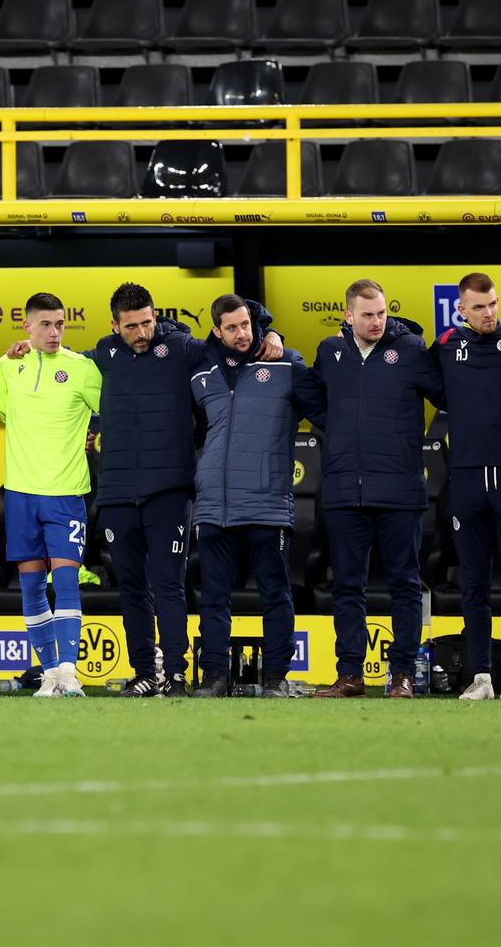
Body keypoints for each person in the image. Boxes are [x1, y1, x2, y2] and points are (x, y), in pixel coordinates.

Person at [90, 283, 282, 699]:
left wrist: (269, 331)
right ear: (114, 325)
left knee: (168, 585)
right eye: (132, 326)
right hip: (118, 490)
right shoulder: (101, 354)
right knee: (131, 588)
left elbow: (231, 333)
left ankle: (175, 673)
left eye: (147, 322)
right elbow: (58, 371)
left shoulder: (182, 349)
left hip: (170, 489)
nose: (142, 332)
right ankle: (144, 672)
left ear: (155, 316)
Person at [188, 294, 324, 699]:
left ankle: (275, 678)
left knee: (275, 595)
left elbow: (330, 413)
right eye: (231, 327)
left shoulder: (286, 364)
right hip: (213, 506)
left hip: (266, 504)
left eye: (246, 324)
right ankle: (214, 676)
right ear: (215, 330)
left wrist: (271, 328)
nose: (242, 333)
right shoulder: (199, 369)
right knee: (212, 598)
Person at [312, 280, 444, 700]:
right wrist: (337, 432)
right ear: (347, 316)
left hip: (400, 489)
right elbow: (315, 399)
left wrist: (408, 332)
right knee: (347, 585)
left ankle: (403, 674)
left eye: (382, 313)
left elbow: (446, 393)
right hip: (344, 489)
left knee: (405, 584)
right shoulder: (329, 353)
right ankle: (350, 675)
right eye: (366, 314)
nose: (376, 321)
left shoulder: (409, 351)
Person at [428, 273, 501, 701]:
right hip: (467, 478)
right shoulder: (443, 347)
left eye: (493, 303)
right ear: (461, 309)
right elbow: (411, 366)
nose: (489, 313)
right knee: (473, 584)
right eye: (479, 307)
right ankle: (480, 677)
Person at [0, 292, 102, 698]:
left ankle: (70, 673)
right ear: (27, 326)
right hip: (21, 494)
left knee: (67, 581)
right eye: (45, 324)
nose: (54, 332)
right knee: (32, 586)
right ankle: (51, 675)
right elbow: (4, 413)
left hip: (66, 493)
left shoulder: (84, 369)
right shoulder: (9, 366)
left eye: (60, 324)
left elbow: (107, 409)